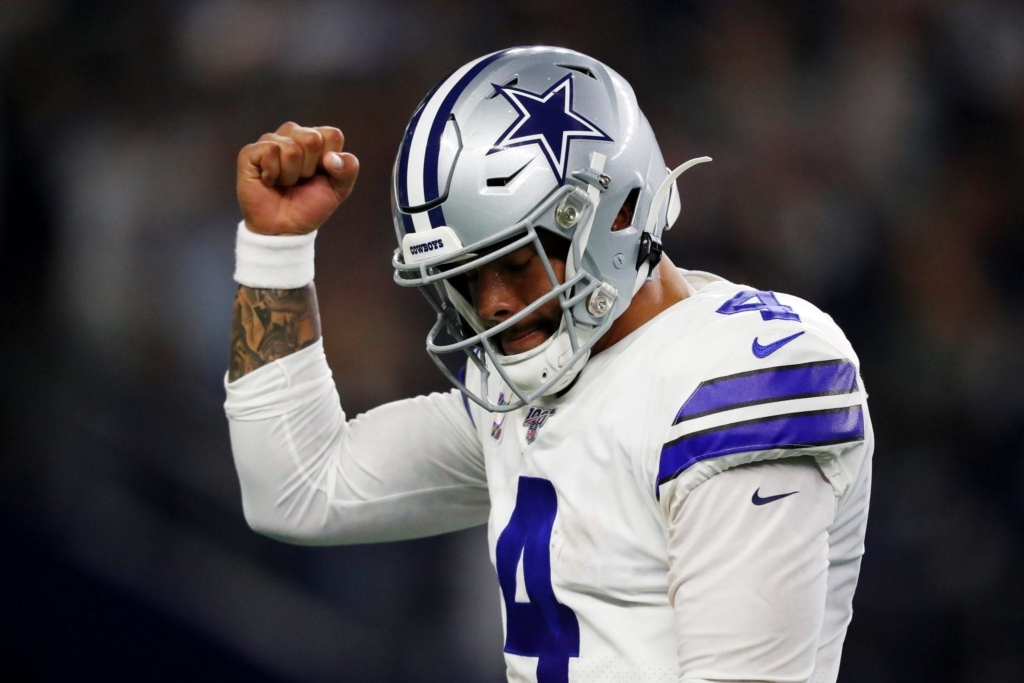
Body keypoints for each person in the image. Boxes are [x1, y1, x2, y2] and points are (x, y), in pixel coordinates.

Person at [225, 46, 873, 683]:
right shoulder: (528, 379)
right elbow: (301, 489)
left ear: (618, 211)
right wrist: (274, 250)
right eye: (466, 279)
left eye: (514, 263)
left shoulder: (742, 373)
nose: (495, 304)